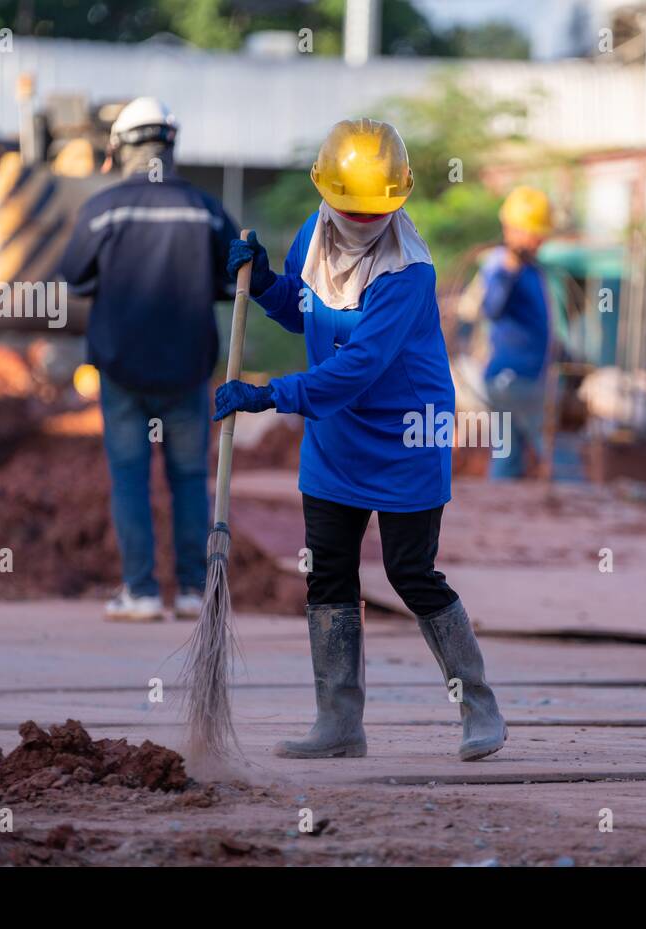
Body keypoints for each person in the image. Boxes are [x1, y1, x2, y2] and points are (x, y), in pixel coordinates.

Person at [213, 118, 507, 762]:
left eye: (377, 209)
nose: (363, 219)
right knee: (328, 574)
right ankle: (339, 722)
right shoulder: (312, 238)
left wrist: (271, 395)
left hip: (407, 432)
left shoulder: (409, 271)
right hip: (337, 436)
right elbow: (307, 308)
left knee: (411, 573)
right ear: (328, 194)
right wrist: (265, 284)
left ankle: (479, 708)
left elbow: (358, 368)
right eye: (350, 207)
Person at [56, 97, 239, 621]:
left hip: (121, 369)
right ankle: (191, 591)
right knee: (188, 479)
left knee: (130, 477)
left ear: (118, 148)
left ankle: (138, 592)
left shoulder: (104, 209)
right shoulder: (205, 209)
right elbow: (235, 281)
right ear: (171, 146)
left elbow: (75, 276)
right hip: (187, 369)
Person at [472, 186, 554, 480]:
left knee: (510, 458)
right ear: (513, 229)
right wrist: (508, 272)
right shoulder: (501, 265)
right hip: (511, 379)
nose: (540, 240)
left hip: (528, 377)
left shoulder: (532, 270)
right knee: (549, 453)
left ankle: (509, 516)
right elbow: (491, 308)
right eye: (536, 233)